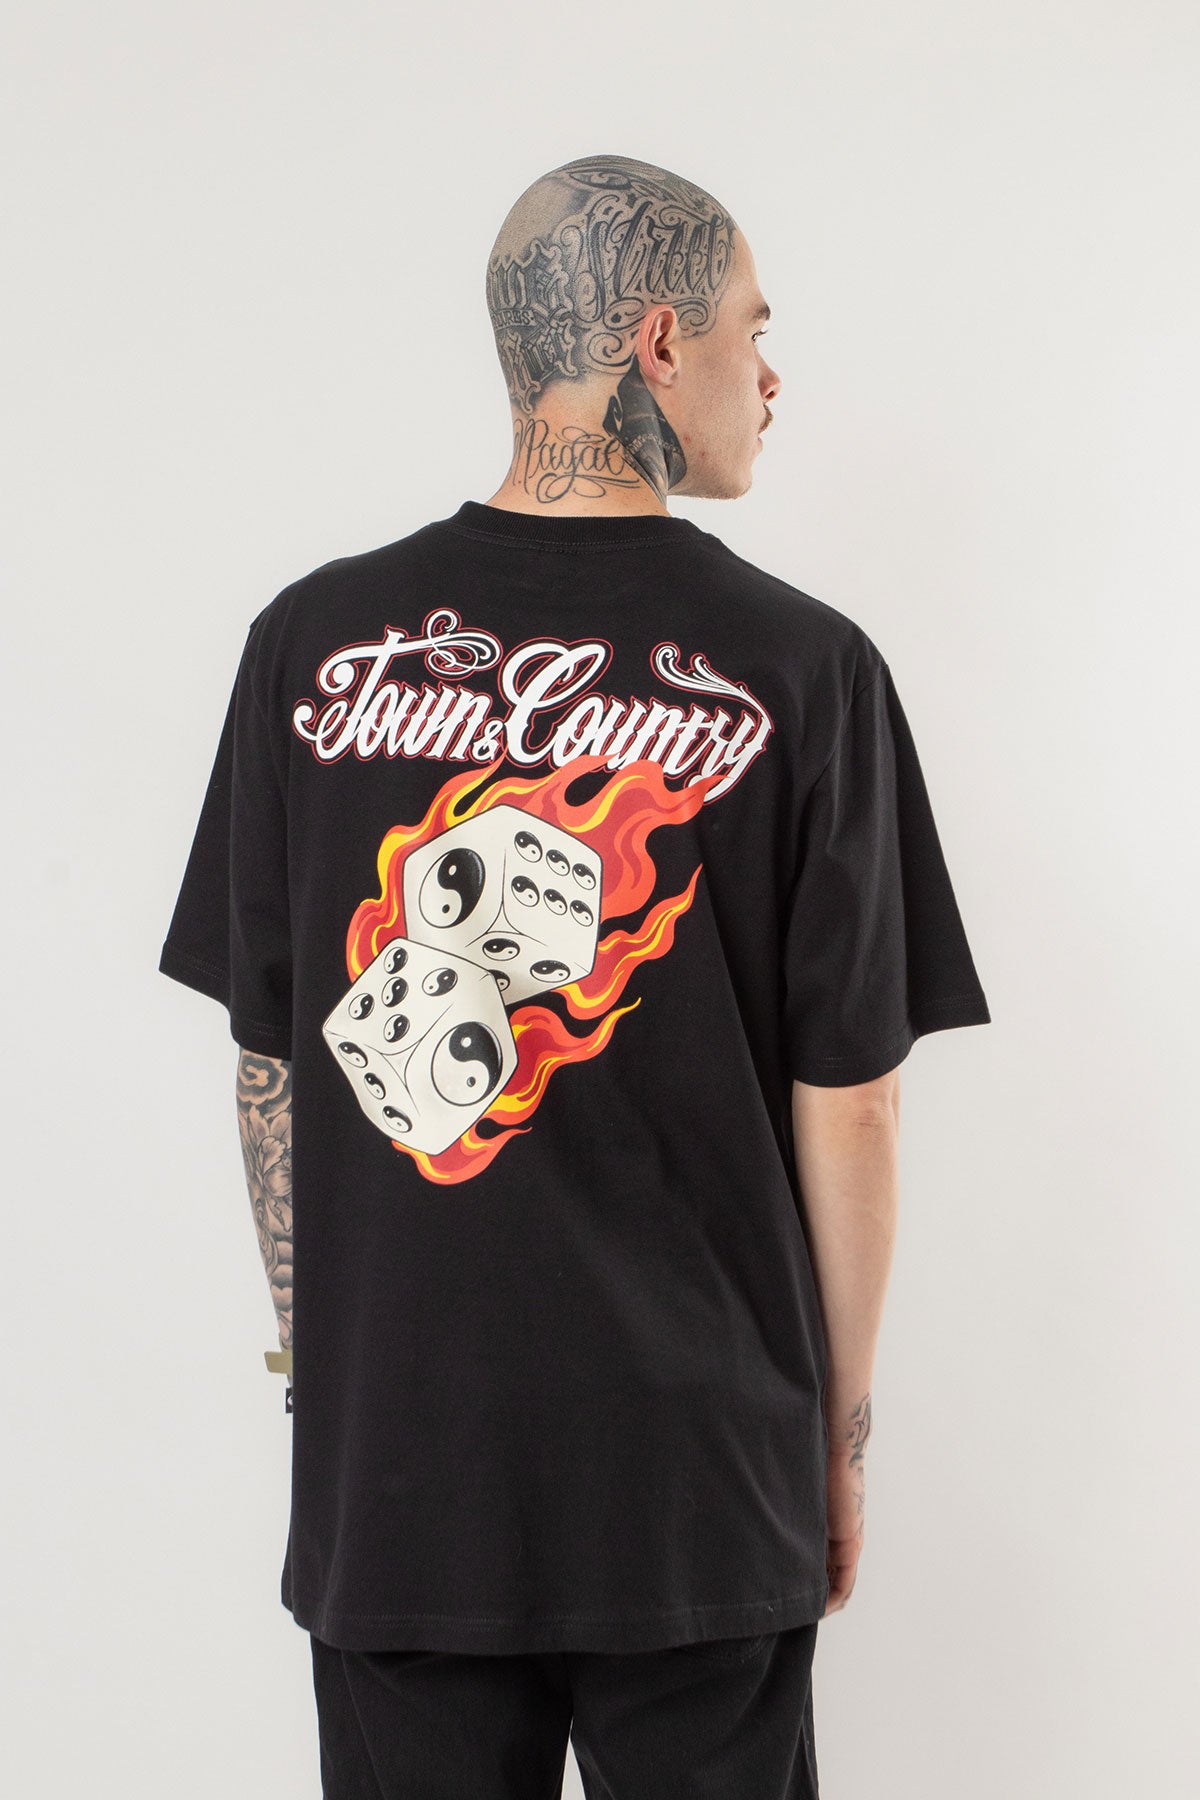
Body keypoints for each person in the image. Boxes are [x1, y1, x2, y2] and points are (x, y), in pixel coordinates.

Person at [159, 153, 991, 1799]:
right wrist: (834, 1440)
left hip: (401, 1473)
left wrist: (323, 1378)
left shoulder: (309, 645)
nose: (772, 378)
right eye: (754, 331)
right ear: (659, 342)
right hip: (700, 1477)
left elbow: (274, 1062)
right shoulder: (807, 669)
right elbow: (857, 1102)